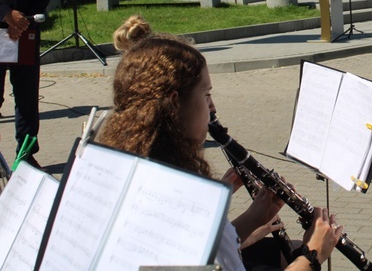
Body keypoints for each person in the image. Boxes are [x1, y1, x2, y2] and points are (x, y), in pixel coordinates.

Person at [100, 15, 343, 270]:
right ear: (173, 105)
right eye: (205, 95)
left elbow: (199, 251)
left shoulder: (125, 172)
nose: (212, 107)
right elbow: (207, 244)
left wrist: (252, 218)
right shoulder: (184, 202)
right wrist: (312, 254)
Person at [0, 0, 52, 169]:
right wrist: (6, 14)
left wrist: (24, 21)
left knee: (27, 99)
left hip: (25, 34)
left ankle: (26, 155)